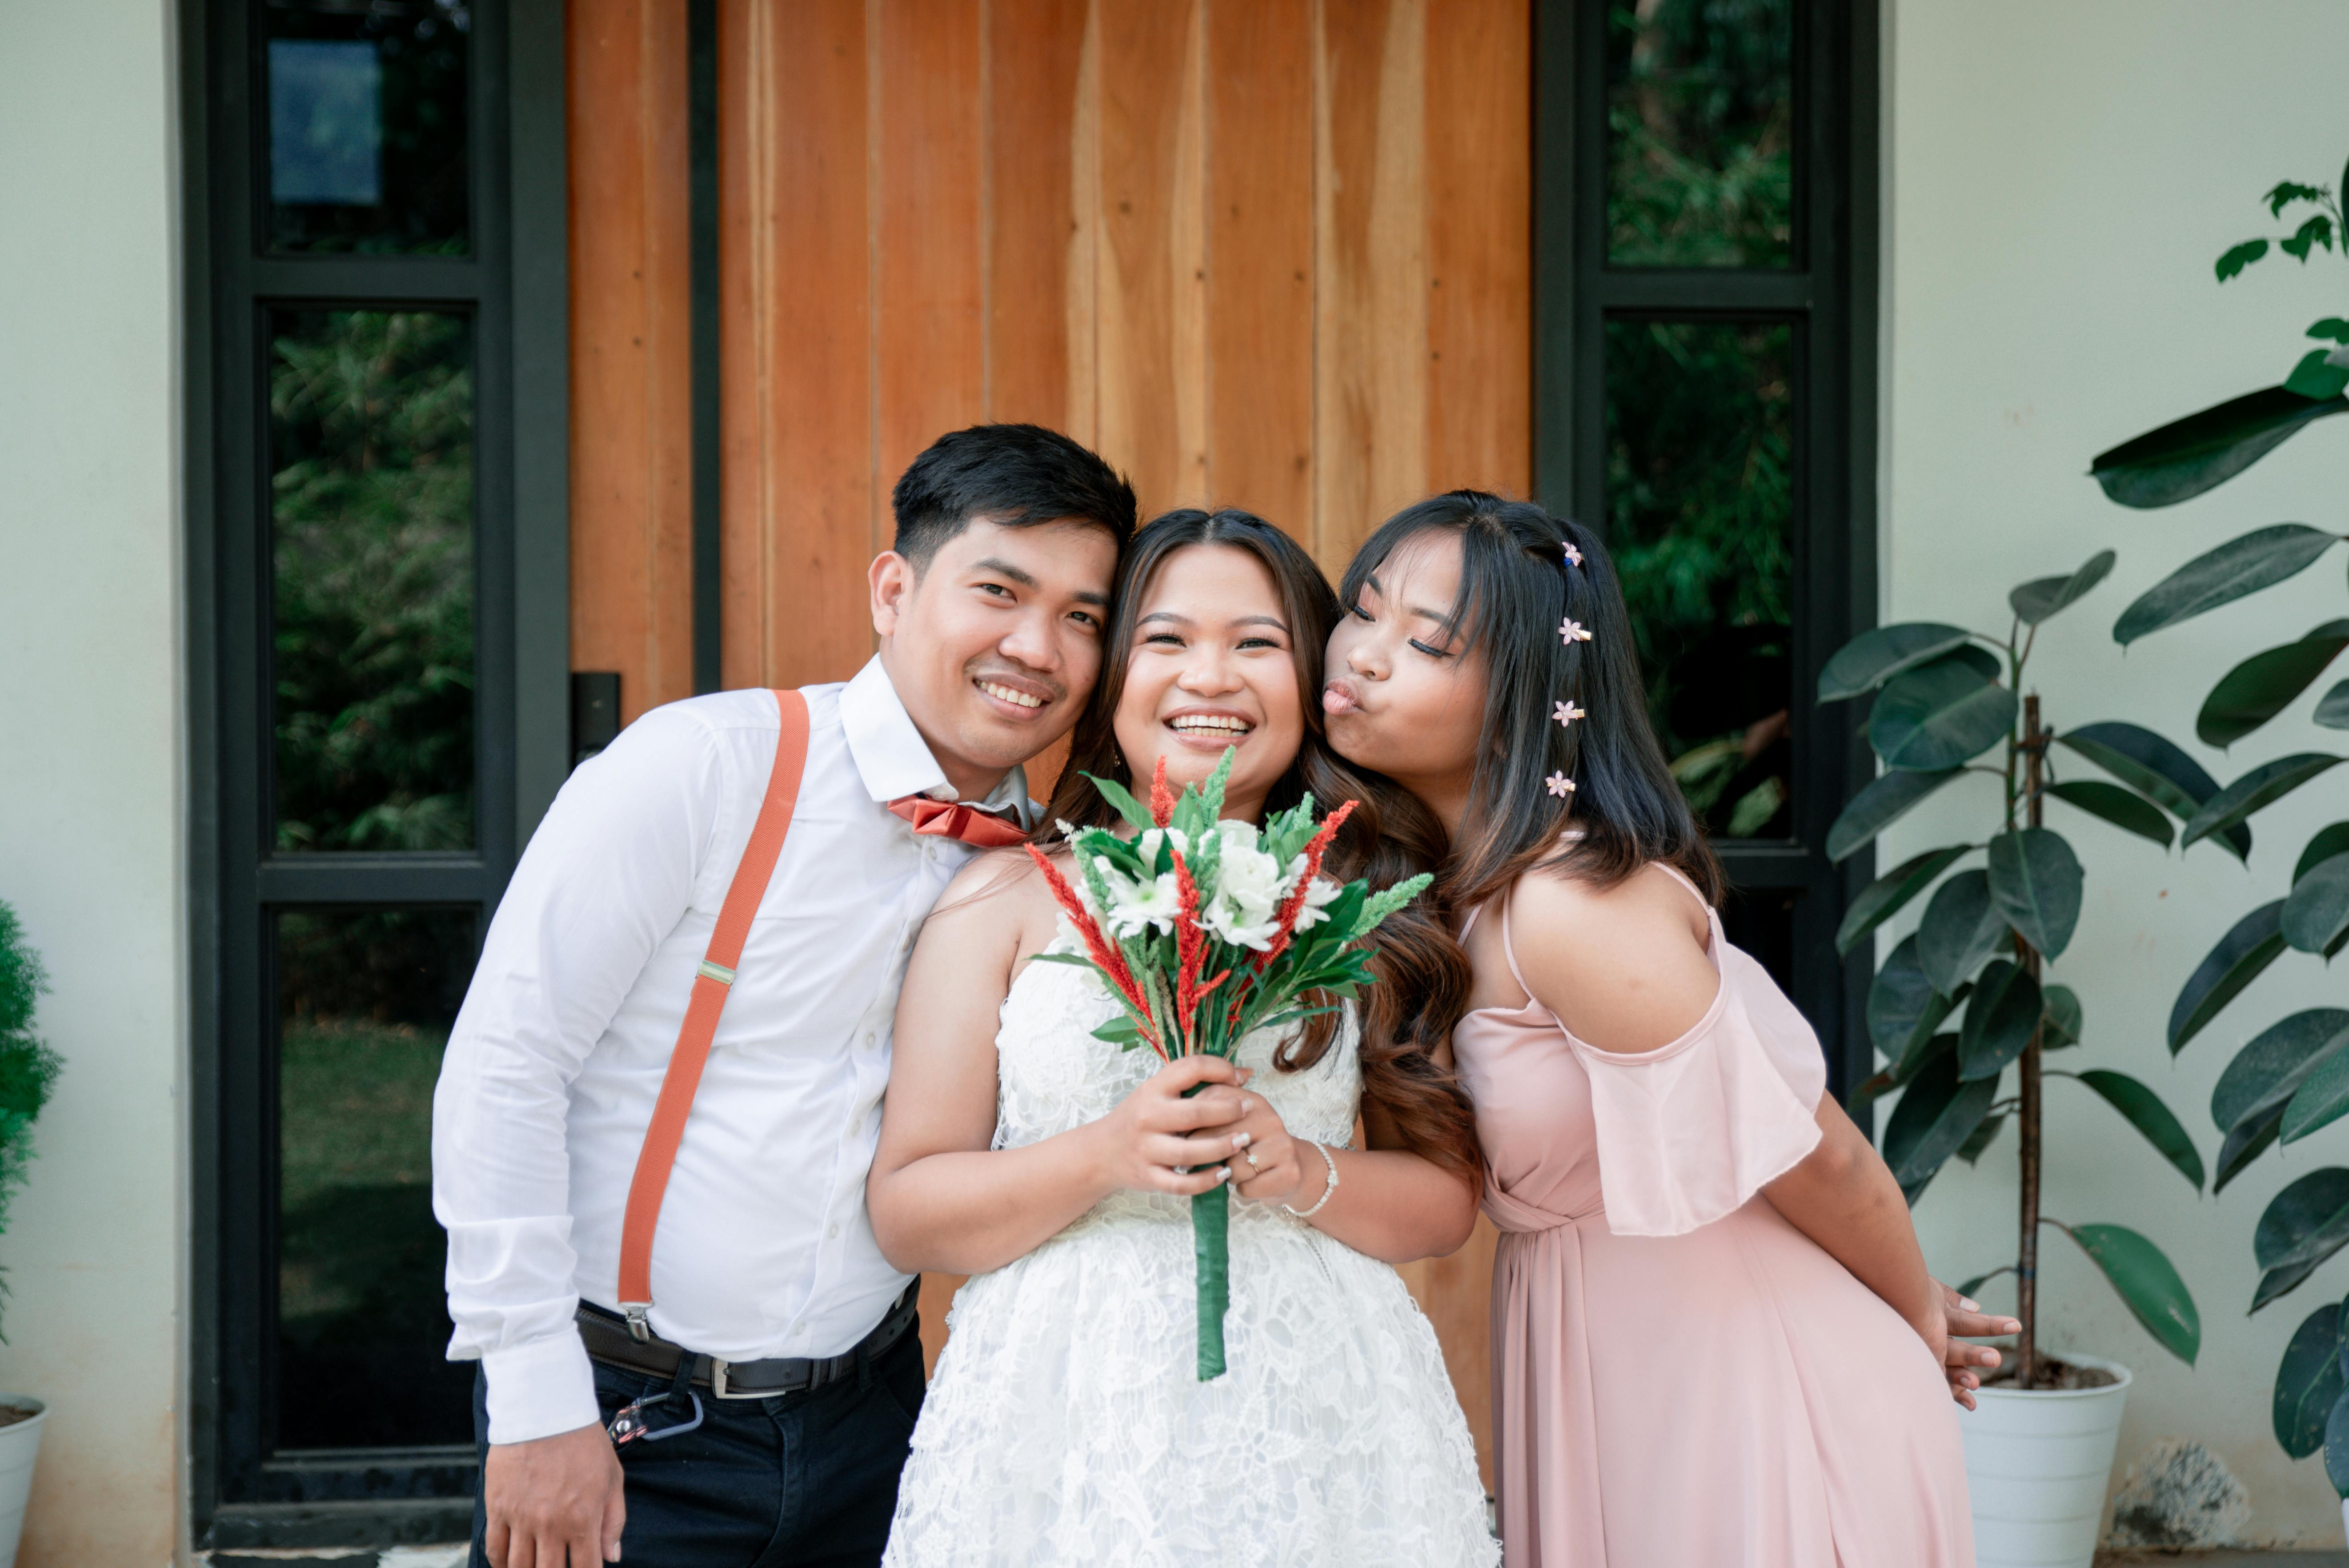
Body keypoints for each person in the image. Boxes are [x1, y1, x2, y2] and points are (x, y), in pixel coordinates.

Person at [431, 424, 1137, 1568]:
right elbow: (505, 1068)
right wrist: (534, 1396)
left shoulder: (1056, 870)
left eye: (1081, 616)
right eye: (998, 589)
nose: (1035, 646)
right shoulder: (705, 766)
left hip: (883, 1425)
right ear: (892, 589)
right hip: (632, 1422)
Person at [1320, 491, 2010, 1568]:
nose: (1360, 655)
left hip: (1756, 1393)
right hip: (1620, 1372)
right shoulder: (1441, 896)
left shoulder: (1568, 902)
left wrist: (1918, 1309)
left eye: (1423, 641)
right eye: (1361, 612)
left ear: (1521, 700)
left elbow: (1815, 1154)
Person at [866, 509, 1499, 1567]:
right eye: (1165, 642)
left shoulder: (1368, 909)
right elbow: (907, 1214)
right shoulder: (1008, 898)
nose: (1210, 678)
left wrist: (1299, 1170)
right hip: (1061, 1417)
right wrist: (1106, 1155)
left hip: (1313, 1414)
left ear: (1312, 681)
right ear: (1112, 678)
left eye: (1256, 644)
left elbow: (1442, 1204)